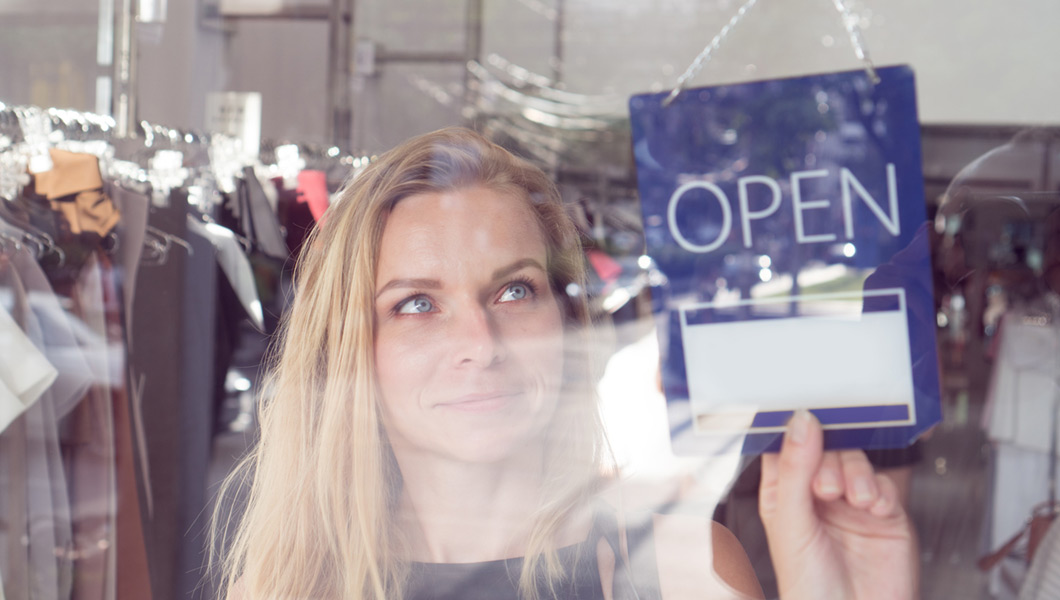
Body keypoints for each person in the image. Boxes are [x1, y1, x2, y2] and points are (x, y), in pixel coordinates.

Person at [211, 127, 917, 599]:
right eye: (417, 305)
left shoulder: (679, 572)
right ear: (350, 351)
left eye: (514, 290)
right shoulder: (286, 583)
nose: (481, 344)